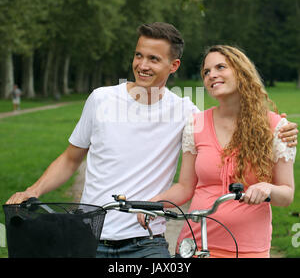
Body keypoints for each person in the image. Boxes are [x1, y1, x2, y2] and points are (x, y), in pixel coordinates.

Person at [6, 25, 298, 258]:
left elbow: (234, 124)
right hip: (89, 234)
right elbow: (71, 158)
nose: (142, 65)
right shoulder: (101, 99)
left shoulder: (187, 113)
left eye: (153, 59)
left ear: (173, 65)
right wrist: (31, 190)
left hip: (147, 241)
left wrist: (280, 128)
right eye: (138, 55)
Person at [138, 45, 296, 258]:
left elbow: (286, 195)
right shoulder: (196, 124)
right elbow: (185, 187)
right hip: (194, 245)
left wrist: (267, 188)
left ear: (241, 71)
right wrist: (151, 204)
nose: (212, 75)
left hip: (248, 250)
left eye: (220, 67)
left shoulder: (276, 127)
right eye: (206, 72)